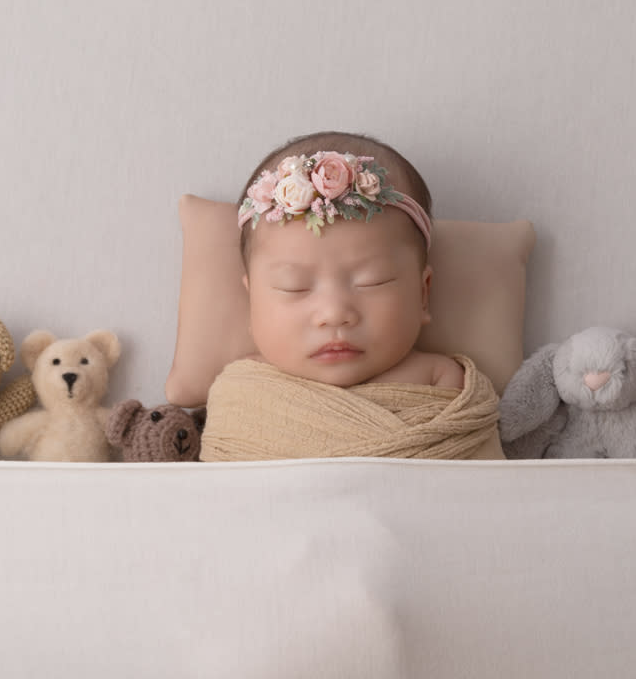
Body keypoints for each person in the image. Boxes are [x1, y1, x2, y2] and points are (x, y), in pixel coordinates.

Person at [200, 131, 504, 461]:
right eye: (294, 286)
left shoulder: (441, 381)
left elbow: (483, 493)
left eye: (372, 281)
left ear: (422, 295)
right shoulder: (244, 392)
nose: (334, 313)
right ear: (252, 303)